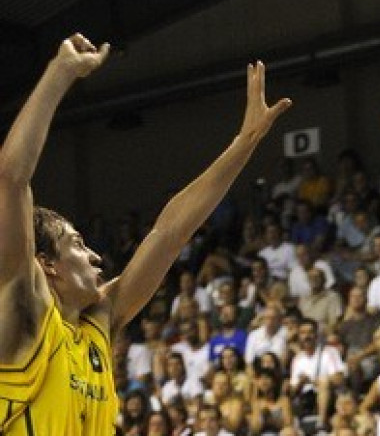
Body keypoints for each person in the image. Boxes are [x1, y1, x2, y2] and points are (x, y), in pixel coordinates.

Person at [0, 35, 291, 435]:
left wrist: (246, 142)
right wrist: (60, 73)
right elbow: (12, 179)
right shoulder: (24, 314)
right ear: (46, 265)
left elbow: (170, 232)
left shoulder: (98, 324)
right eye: (77, 245)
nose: (95, 257)